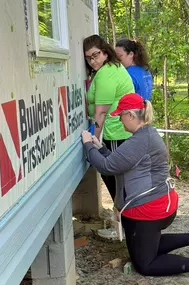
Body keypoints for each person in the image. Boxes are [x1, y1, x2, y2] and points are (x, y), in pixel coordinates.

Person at [81, 93, 189, 277]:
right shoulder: (146, 133)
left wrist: (88, 145)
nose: (120, 120)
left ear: (130, 115)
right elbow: (119, 162)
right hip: (159, 204)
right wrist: (101, 148)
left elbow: (107, 167)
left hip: (147, 210)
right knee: (145, 244)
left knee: (145, 265)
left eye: (121, 115)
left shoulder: (139, 141)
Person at [83, 35, 135, 238]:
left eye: (96, 55)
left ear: (105, 51)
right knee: (119, 181)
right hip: (121, 131)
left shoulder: (106, 74)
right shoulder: (113, 68)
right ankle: (124, 225)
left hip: (115, 133)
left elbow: (101, 113)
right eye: (88, 58)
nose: (93, 60)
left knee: (115, 179)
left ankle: (123, 227)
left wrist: (93, 142)